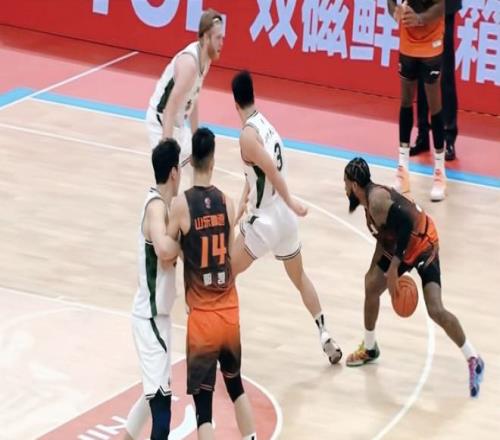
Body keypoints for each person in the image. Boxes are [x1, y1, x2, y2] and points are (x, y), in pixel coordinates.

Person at [343, 157, 484, 398]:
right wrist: (376, 271)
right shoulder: (369, 204)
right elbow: (384, 237)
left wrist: (392, 270)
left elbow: (407, 224)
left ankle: (473, 358)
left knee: (435, 310)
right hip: (402, 245)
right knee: (371, 285)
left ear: (354, 185)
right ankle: (370, 348)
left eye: (345, 183)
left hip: (423, 244)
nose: (344, 188)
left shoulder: (377, 202)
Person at [230, 70, 342, 364]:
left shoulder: (247, 136)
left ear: (234, 102)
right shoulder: (266, 125)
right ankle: (324, 332)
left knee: (225, 275)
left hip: (265, 221)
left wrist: (292, 201)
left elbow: (269, 170)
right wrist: (242, 202)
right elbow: (254, 173)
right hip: (284, 222)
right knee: (300, 277)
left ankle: (225, 343)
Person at [165, 127, 257, 439]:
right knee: (236, 386)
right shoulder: (227, 203)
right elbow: (229, 256)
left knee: (204, 408)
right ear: (214, 160)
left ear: (191, 160)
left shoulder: (181, 205)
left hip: (203, 318)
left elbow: (168, 251)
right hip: (228, 310)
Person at [126, 139, 181, 440]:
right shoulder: (157, 207)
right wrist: (185, 243)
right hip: (150, 318)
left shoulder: (160, 204)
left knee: (152, 397)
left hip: (155, 317)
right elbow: (162, 249)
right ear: (174, 172)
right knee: (162, 413)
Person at [145, 9, 224, 169]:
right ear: (206, 38)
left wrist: (196, 137)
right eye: (218, 38)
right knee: (170, 178)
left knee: (201, 167)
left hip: (178, 125)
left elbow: (193, 98)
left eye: (222, 38)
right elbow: (169, 110)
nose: (222, 43)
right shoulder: (189, 64)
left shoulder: (206, 60)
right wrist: (167, 150)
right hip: (160, 123)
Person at [389, 0, 447, 201]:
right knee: (406, 100)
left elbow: (441, 7)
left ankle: (439, 172)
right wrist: (395, 12)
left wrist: (420, 19)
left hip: (431, 40)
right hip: (408, 42)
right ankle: (402, 169)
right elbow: (390, 2)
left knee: (434, 104)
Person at [410, 0, 462, 161]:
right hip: (420, 6)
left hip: (444, 7)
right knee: (422, 66)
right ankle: (423, 134)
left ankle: (449, 137)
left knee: (445, 73)